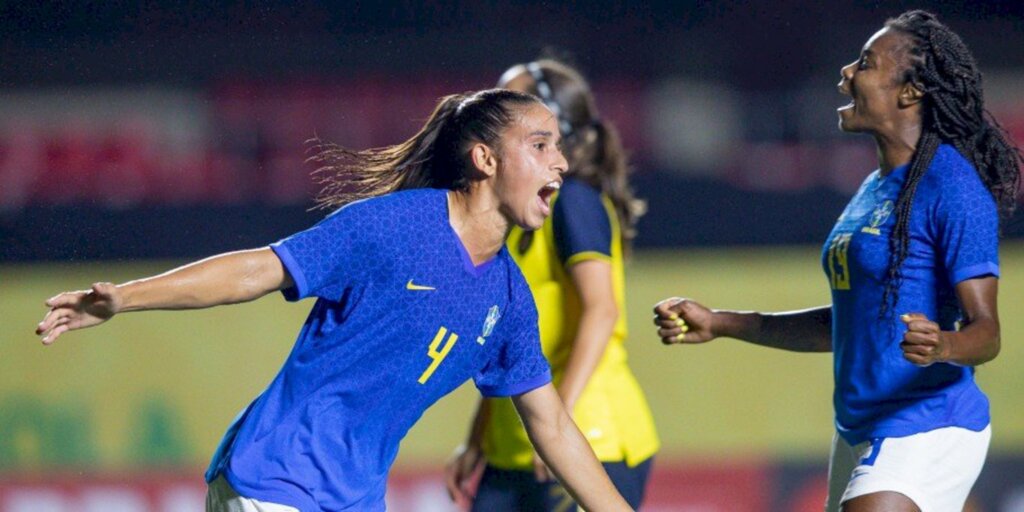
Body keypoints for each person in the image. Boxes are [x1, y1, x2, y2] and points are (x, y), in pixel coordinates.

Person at [35, 89, 635, 512]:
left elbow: (552, 424)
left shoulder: (509, 298)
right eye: (539, 144)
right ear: (484, 158)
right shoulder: (395, 227)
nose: (559, 160)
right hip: (275, 474)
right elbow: (256, 271)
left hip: (350, 495)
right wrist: (125, 299)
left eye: (558, 146)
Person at [653, 10, 1020, 512]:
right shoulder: (874, 189)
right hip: (858, 429)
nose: (846, 72)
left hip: (928, 423)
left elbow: (987, 333)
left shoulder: (953, 190)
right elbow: (850, 326)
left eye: (866, 64)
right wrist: (721, 322)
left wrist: (944, 345)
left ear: (910, 91)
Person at [446, 59, 658, 511]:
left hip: (587, 434)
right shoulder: (513, 221)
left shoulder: (574, 203)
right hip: (513, 445)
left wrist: (561, 422)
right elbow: (502, 344)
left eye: (514, 100)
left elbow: (602, 311)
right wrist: (477, 438)